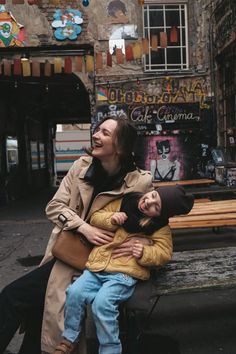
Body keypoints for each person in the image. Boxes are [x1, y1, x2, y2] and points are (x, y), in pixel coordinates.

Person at [0, 115, 153, 354]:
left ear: (120, 146)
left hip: (101, 263)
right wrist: (84, 227)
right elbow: (54, 206)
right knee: (27, 303)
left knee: (17, 298)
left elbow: (153, 224)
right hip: (68, 252)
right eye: (97, 130)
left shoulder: (140, 183)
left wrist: (139, 245)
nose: (95, 135)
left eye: (104, 133)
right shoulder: (81, 167)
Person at [53, 186, 194, 354]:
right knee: (74, 292)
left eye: (156, 206)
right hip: (97, 267)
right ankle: (69, 339)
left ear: (161, 215)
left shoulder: (159, 227)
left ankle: (110, 349)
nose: (148, 202)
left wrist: (145, 252)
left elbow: (164, 253)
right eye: (153, 195)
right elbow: (96, 217)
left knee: (102, 303)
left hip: (123, 274)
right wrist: (111, 218)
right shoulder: (125, 202)